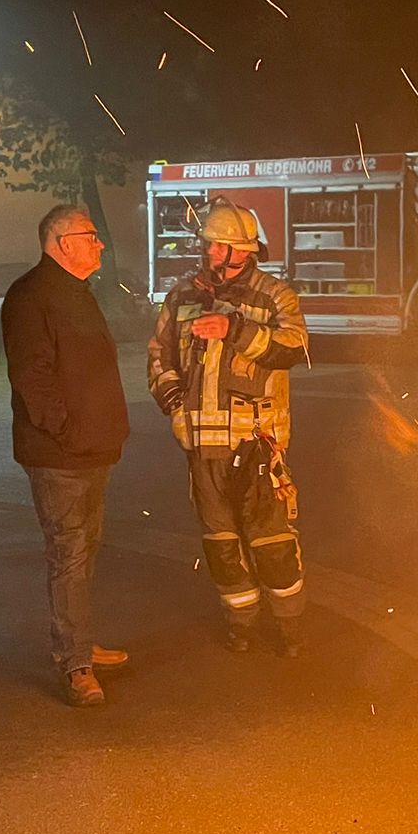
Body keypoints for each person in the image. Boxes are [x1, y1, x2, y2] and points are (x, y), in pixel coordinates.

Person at [147, 200, 311, 655]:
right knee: (221, 546)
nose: (213, 253)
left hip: (256, 448)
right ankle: (241, 622)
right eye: (210, 245)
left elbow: (294, 348)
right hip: (202, 447)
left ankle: (290, 626)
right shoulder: (181, 296)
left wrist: (234, 328)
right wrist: (176, 404)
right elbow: (159, 355)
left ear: (246, 251)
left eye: (223, 247)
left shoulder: (276, 296)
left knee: (273, 542)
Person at [1, 203, 132, 708]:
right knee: (69, 556)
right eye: (91, 235)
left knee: (82, 554)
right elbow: (32, 378)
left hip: (91, 448)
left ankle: (79, 642)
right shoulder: (32, 296)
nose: (100, 243)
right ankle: (76, 664)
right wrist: (68, 431)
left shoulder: (76, 293)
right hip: (61, 454)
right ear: (62, 242)